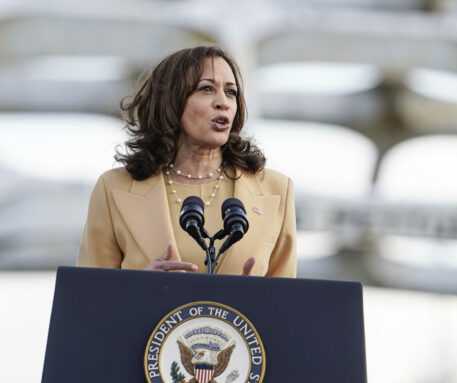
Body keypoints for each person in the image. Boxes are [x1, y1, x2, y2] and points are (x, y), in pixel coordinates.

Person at [77, 46, 296, 277]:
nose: (223, 102)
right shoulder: (113, 189)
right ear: (172, 101)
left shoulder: (277, 190)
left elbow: (289, 306)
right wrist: (138, 291)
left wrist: (258, 300)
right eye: (207, 89)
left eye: (231, 92)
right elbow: (90, 301)